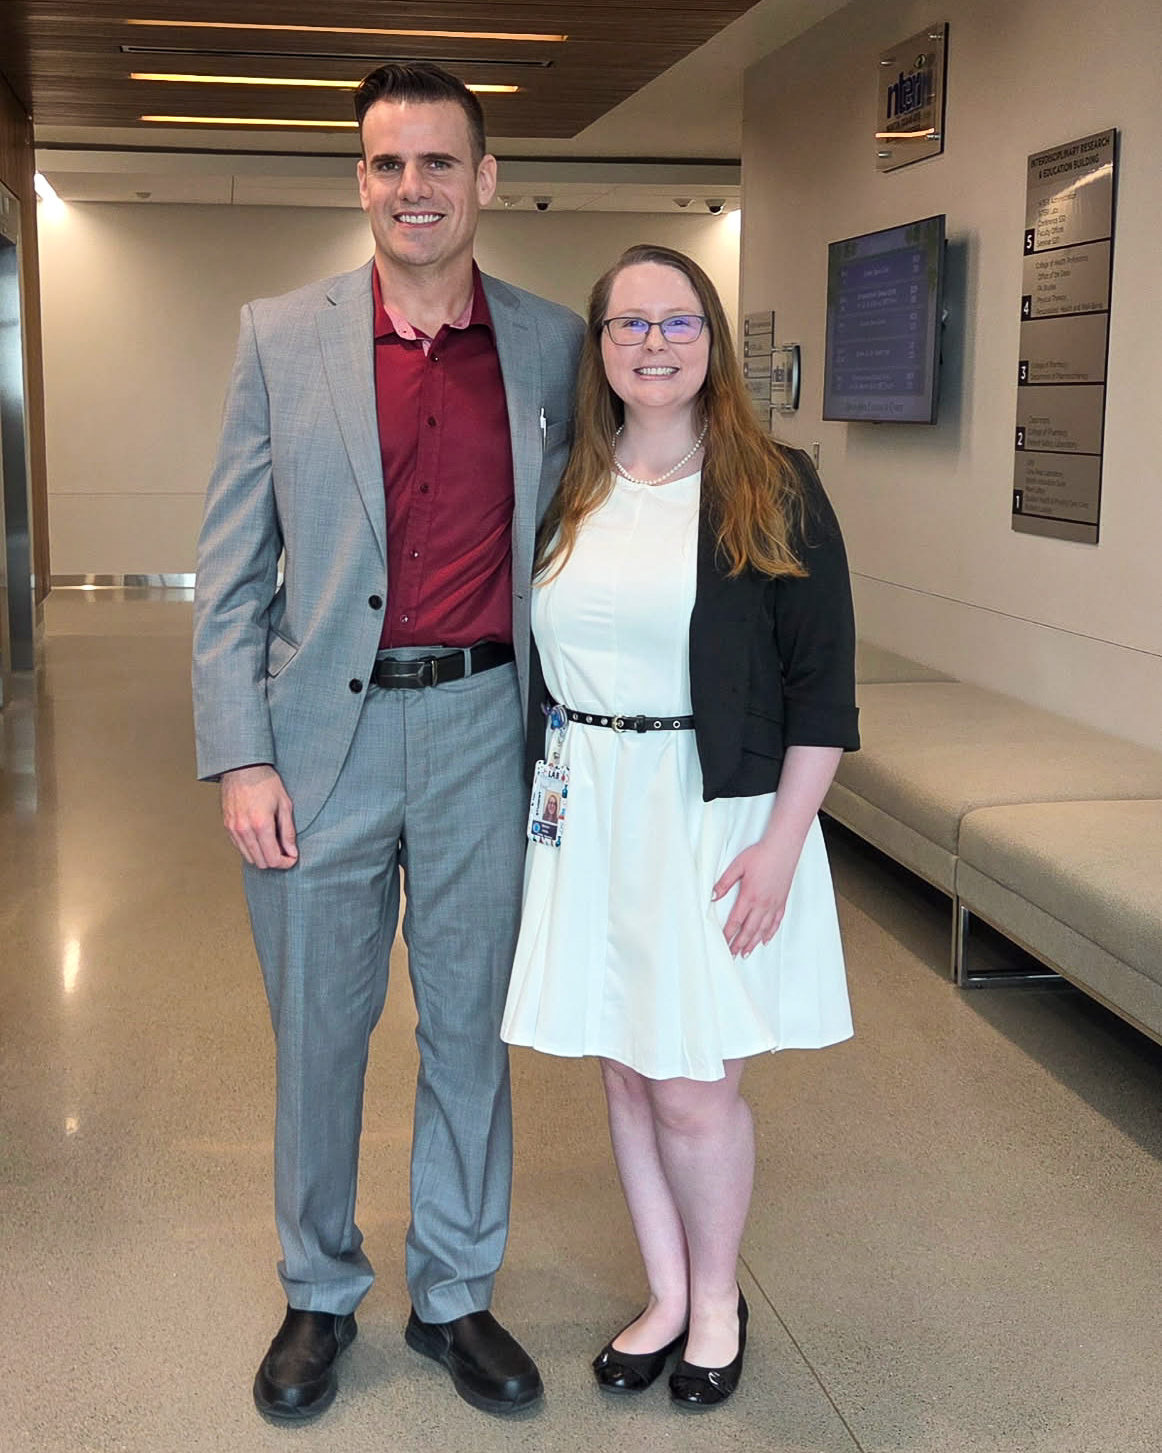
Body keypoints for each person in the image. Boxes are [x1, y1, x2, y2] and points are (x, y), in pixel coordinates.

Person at [192, 62, 583, 1423]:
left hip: (485, 727)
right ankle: (317, 1288)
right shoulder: (278, 337)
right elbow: (230, 572)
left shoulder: (550, 344)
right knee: (319, 1030)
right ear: (359, 180)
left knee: (469, 1024)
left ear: (485, 180)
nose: (412, 187)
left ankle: (455, 1293)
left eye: (437, 162)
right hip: (318, 745)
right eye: (386, 163)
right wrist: (242, 755)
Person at [501, 244, 859, 1411]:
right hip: (587, 809)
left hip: (713, 815)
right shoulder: (569, 481)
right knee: (623, 1072)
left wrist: (781, 845)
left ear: (711, 339)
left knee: (693, 1087)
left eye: (677, 322)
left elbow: (822, 690)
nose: (653, 344)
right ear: (598, 345)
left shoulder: (771, 483)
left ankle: (715, 1302)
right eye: (629, 325)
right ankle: (663, 1293)